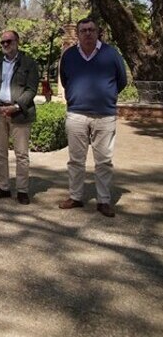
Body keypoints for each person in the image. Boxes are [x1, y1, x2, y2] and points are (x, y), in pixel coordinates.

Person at [59, 17, 127, 217]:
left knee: (104, 161)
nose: (87, 33)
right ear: (78, 34)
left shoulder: (111, 54)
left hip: (104, 116)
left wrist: (107, 96)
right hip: (77, 115)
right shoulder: (70, 55)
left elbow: (121, 80)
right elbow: (65, 80)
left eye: (91, 30)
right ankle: (75, 197)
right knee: (76, 160)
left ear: (98, 32)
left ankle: (103, 201)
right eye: (83, 30)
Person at [0, 30, 40, 205]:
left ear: (17, 41)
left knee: (21, 154)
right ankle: (3, 187)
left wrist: (15, 107)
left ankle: (22, 190)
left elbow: (31, 89)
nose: (6, 45)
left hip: (20, 113)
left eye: (9, 41)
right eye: (3, 42)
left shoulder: (28, 63)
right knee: (0, 153)